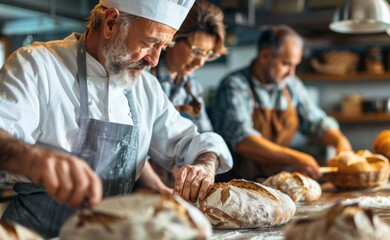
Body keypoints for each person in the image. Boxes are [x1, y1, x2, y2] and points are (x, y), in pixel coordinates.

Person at [0, 0, 233, 238]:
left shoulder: (146, 88)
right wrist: (34, 160)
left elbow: (196, 141)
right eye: (149, 43)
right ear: (111, 23)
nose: (154, 60)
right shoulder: (37, 65)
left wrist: (205, 165)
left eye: (163, 47)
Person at [211, 25, 350, 181]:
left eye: (294, 66)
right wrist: (294, 158)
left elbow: (317, 123)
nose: (291, 73)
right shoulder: (235, 86)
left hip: (276, 182)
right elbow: (243, 140)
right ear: (265, 56)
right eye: (286, 64)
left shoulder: (291, 85)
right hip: (237, 184)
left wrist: (339, 141)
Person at [147, 0, 227, 189]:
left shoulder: (193, 86)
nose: (200, 62)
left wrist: (203, 163)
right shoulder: (144, 77)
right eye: (196, 51)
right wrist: (157, 185)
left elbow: (205, 135)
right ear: (173, 38)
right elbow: (136, 145)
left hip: (177, 184)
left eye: (208, 54)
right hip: (142, 184)